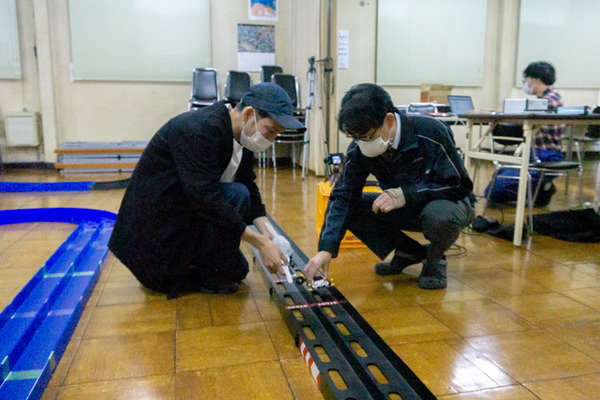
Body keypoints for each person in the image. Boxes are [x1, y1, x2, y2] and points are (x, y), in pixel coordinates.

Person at [108, 83, 305, 297]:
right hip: (156, 237)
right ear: (249, 114)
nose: (271, 140)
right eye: (271, 130)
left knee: (237, 270)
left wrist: (268, 232)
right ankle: (194, 269)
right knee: (237, 196)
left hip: (184, 214)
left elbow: (248, 181)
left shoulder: (242, 135)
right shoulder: (200, 131)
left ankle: (203, 266)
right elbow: (204, 199)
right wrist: (260, 243)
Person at [304, 83, 475, 290]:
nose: (361, 143)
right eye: (354, 137)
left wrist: (407, 194)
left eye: (367, 136)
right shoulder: (359, 148)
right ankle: (407, 252)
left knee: (439, 216)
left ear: (389, 120)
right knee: (353, 207)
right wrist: (326, 248)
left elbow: (460, 185)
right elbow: (343, 195)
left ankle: (435, 260)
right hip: (405, 207)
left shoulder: (430, 131)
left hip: (447, 203)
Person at [485, 61, 564, 206]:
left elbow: (525, 118)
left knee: (493, 191)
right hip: (534, 153)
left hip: (545, 155)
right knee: (496, 178)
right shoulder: (546, 99)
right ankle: (538, 189)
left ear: (536, 80)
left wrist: (498, 115)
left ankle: (541, 191)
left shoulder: (549, 101)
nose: (525, 84)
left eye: (525, 80)